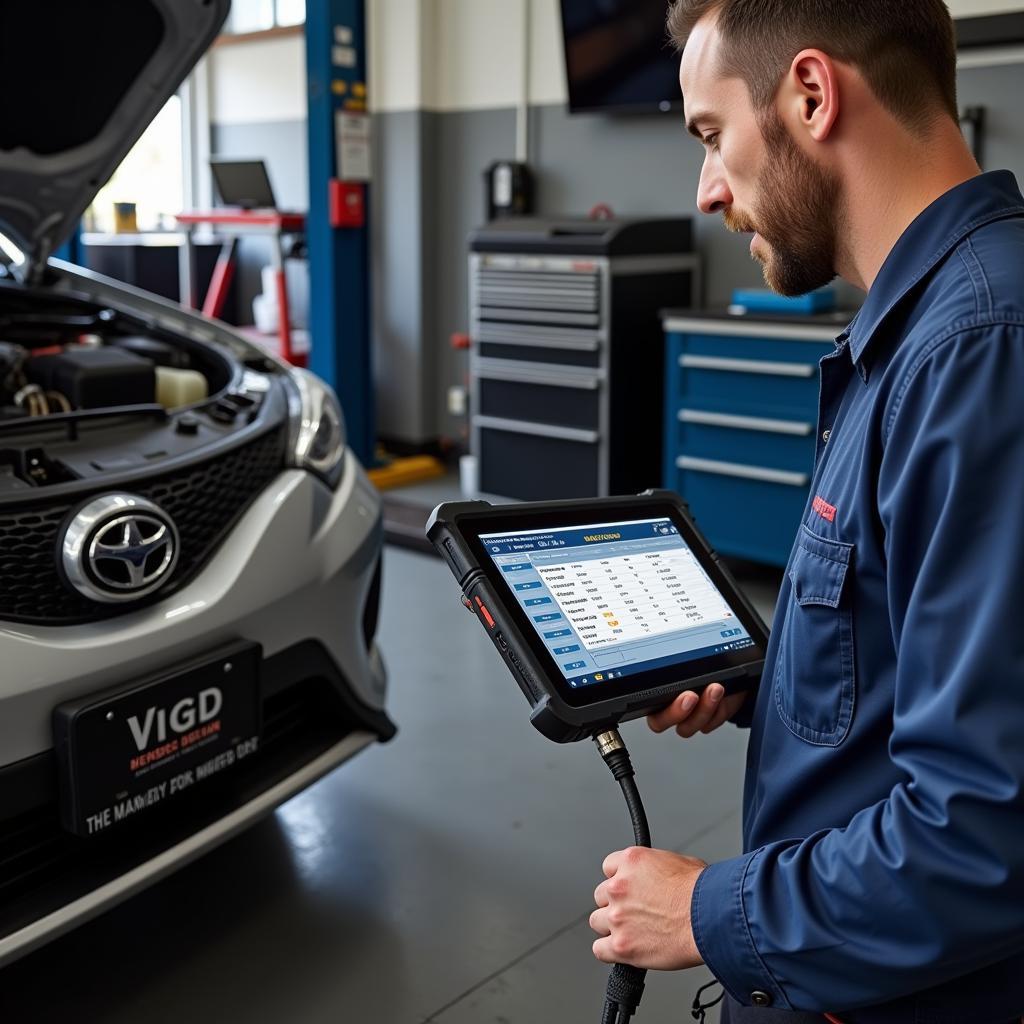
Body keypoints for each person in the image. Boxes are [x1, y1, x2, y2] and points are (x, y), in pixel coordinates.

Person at [587, 2, 1024, 1022]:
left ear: (812, 96)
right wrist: (759, 676)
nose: (705, 191)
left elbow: (986, 834)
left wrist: (711, 910)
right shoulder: (923, 333)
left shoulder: (977, 352)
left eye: (709, 135)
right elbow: (919, 641)